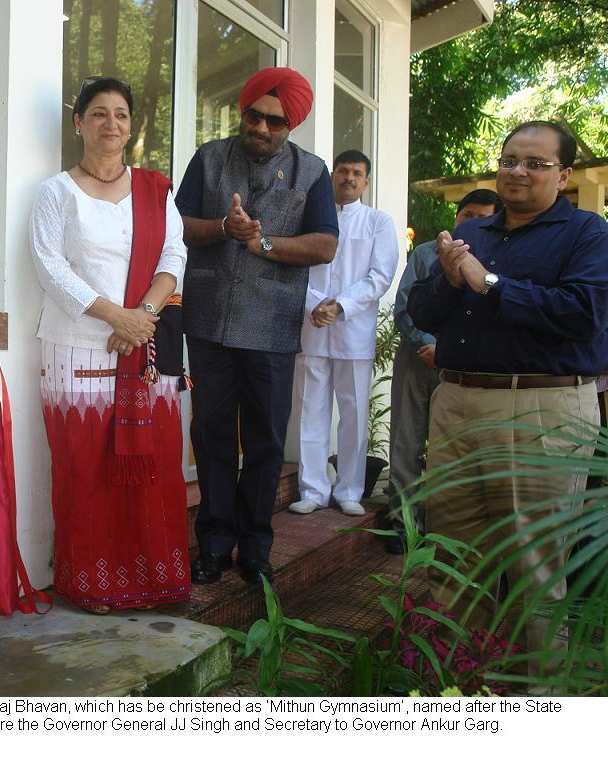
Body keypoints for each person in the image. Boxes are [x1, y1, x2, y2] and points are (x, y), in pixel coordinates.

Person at [408, 120, 607, 677]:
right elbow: (422, 315)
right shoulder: (479, 232)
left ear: (563, 174)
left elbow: (583, 314)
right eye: (509, 160)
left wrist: (488, 283)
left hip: (541, 408)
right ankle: (459, 698)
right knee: (452, 564)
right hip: (457, 402)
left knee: (533, 567)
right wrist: (449, 279)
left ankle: (536, 712)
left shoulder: (588, 234)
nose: (517, 171)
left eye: (535, 163)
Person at [29, 77, 191, 613]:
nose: (111, 124)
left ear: (131, 125)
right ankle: (92, 584)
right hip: (75, 344)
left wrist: (142, 316)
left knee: (155, 465)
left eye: (121, 114)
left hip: (143, 345)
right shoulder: (56, 193)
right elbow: (50, 268)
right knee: (84, 467)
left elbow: (174, 257)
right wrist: (114, 317)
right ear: (79, 123)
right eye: (98, 113)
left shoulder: (154, 192)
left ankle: (154, 577)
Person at [175, 67, 339, 584]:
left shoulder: (312, 172)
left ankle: (254, 549)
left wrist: (264, 244)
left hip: (271, 325)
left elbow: (325, 244)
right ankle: (213, 544)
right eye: (254, 115)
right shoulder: (208, 158)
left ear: (291, 125)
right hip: (209, 322)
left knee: (265, 442)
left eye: (275, 120)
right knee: (212, 435)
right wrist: (224, 227)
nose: (262, 127)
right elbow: (173, 226)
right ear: (242, 112)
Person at [383, 189, 501, 554]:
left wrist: (446, 350)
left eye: (481, 216)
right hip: (418, 358)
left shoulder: (496, 262)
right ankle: (402, 523)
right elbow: (404, 306)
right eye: (466, 214)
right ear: (456, 216)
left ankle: (443, 528)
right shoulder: (425, 254)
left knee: (455, 447)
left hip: (464, 367)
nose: (471, 222)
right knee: (407, 440)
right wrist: (429, 344)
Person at [287, 149, 399, 518]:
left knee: (353, 414)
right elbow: (296, 269)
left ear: (366, 181)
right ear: (332, 176)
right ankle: (313, 489)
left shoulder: (377, 222)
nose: (349, 177)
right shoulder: (311, 220)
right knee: (310, 411)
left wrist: (341, 306)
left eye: (357, 173)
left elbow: (380, 277)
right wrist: (315, 304)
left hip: (354, 331)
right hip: (313, 327)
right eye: (343, 171)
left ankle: (350, 488)